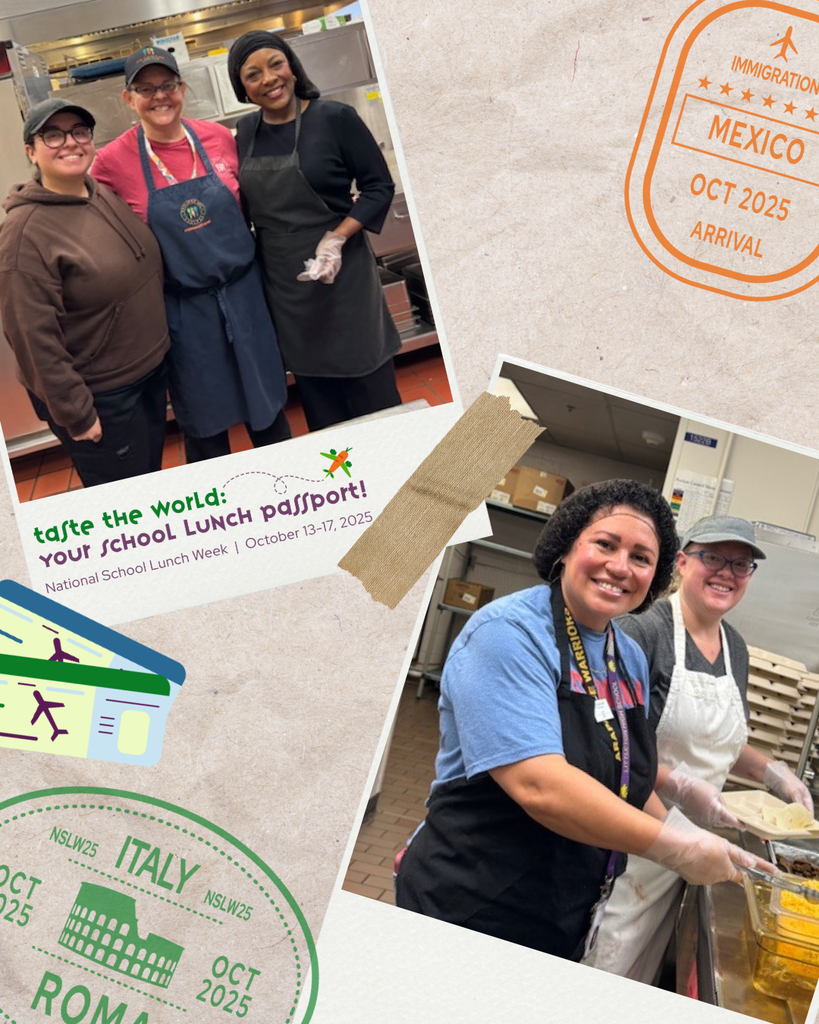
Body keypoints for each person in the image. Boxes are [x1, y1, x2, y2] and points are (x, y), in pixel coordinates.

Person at [394, 483, 770, 961]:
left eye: (640, 557)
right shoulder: (509, 634)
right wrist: (672, 847)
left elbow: (623, 770)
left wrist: (682, 825)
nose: (620, 567)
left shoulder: (627, 655)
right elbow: (540, 785)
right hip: (471, 900)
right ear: (567, 545)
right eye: (605, 544)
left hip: (563, 908)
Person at [584, 515, 813, 984]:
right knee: (604, 963)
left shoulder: (736, 648)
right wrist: (678, 790)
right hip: (628, 844)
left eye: (741, 564)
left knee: (640, 973)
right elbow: (610, 749)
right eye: (713, 557)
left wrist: (773, 772)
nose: (727, 572)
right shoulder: (641, 633)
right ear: (683, 562)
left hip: (689, 851)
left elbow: (722, 739)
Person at [92, 46, 290, 464]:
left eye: (167, 85)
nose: (159, 96)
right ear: (129, 99)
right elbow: (90, 221)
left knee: (268, 410)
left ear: (182, 89)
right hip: (183, 309)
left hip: (245, 294)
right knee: (205, 424)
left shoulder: (219, 138)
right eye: (146, 89)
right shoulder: (110, 162)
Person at [227, 31, 403, 432]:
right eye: (253, 74)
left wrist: (337, 237)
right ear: (243, 88)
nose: (269, 79)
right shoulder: (245, 131)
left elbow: (379, 186)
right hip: (287, 289)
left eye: (276, 64)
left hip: (344, 280)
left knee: (375, 403)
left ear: (292, 66)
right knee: (323, 414)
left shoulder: (335, 118)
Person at [0, 98, 169, 489]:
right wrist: (76, 412)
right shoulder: (24, 235)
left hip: (144, 376)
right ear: (31, 151)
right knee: (128, 504)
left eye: (79, 131)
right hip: (102, 397)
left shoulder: (96, 192)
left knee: (152, 486)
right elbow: (32, 338)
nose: (70, 142)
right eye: (53, 135)